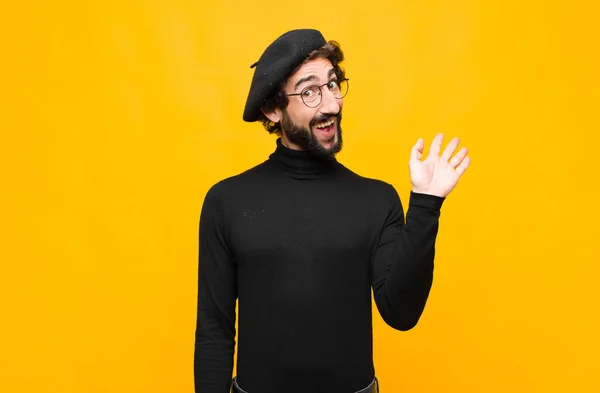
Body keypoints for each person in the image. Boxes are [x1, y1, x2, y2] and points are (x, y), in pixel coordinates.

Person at [194, 29, 470, 393]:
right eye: (310, 91)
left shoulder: (376, 200)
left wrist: (425, 204)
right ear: (272, 109)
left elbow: (401, 313)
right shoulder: (226, 202)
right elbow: (214, 329)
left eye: (333, 84)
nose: (331, 105)